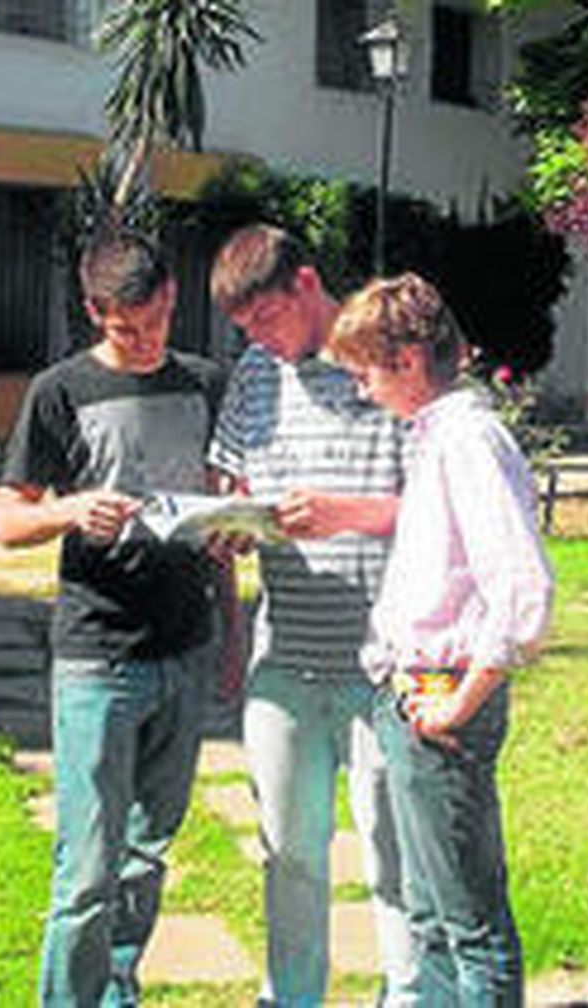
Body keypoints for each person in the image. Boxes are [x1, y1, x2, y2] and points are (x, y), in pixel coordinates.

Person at [0, 231, 225, 1007]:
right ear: (96, 312)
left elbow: (223, 499)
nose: (145, 338)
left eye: (156, 320)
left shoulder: (204, 382)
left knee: (147, 852)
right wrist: (70, 510)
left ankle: (116, 992)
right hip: (98, 657)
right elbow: (6, 521)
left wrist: (226, 629)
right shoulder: (59, 391)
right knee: (86, 867)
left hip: (186, 648)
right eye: (126, 328)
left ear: (170, 301)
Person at [327, 272, 554, 1006]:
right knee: (426, 916)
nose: (363, 390)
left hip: (440, 694)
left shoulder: (466, 441)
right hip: (412, 690)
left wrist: (459, 704)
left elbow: (522, 590)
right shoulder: (435, 437)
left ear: (409, 359)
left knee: (469, 925)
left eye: (366, 372)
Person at [208, 225, 413, 1006]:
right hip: (284, 665)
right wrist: (228, 526)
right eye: (244, 330)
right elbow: (231, 486)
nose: (258, 341)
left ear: (306, 284)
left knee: (393, 860)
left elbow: (442, 503)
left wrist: (345, 514)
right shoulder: (256, 375)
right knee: (289, 858)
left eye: (266, 320)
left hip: (381, 665)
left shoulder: (385, 362)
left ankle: (410, 996)